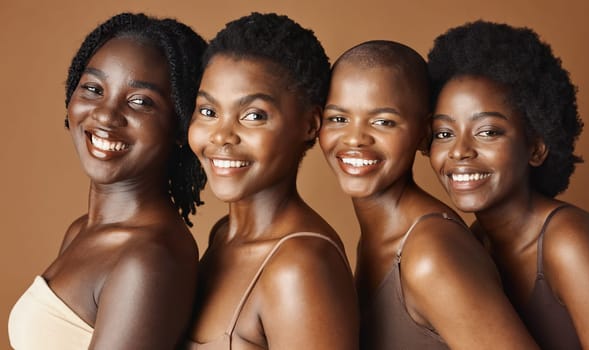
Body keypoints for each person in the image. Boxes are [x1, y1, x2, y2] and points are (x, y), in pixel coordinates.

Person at [427, 20, 589, 349]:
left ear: (536, 147)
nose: (460, 150)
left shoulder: (571, 242)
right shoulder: (473, 243)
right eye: (444, 133)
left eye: (488, 131)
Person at [318, 40, 539, 349]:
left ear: (424, 135)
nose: (355, 138)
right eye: (338, 119)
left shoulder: (430, 252)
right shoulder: (377, 237)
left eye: (383, 121)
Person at [8, 13, 207, 349]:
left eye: (140, 101)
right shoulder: (82, 230)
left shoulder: (149, 260)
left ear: (180, 126)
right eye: (93, 88)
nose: (105, 114)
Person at [184, 13, 358, 350]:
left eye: (253, 116)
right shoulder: (223, 235)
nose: (221, 135)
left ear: (310, 125)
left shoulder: (300, 266)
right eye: (208, 111)